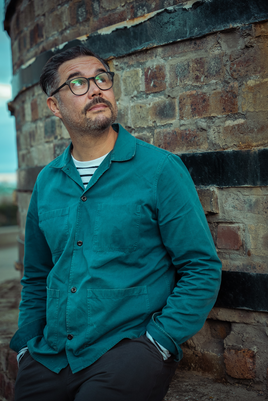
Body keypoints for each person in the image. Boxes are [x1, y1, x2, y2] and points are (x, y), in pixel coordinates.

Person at [10, 45, 222, 401]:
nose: (95, 89)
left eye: (101, 79)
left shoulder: (159, 170)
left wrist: (159, 342)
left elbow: (201, 267)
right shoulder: (47, 182)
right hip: (49, 355)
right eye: (77, 83)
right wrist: (25, 346)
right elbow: (36, 274)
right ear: (54, 106)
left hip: (129, 350)